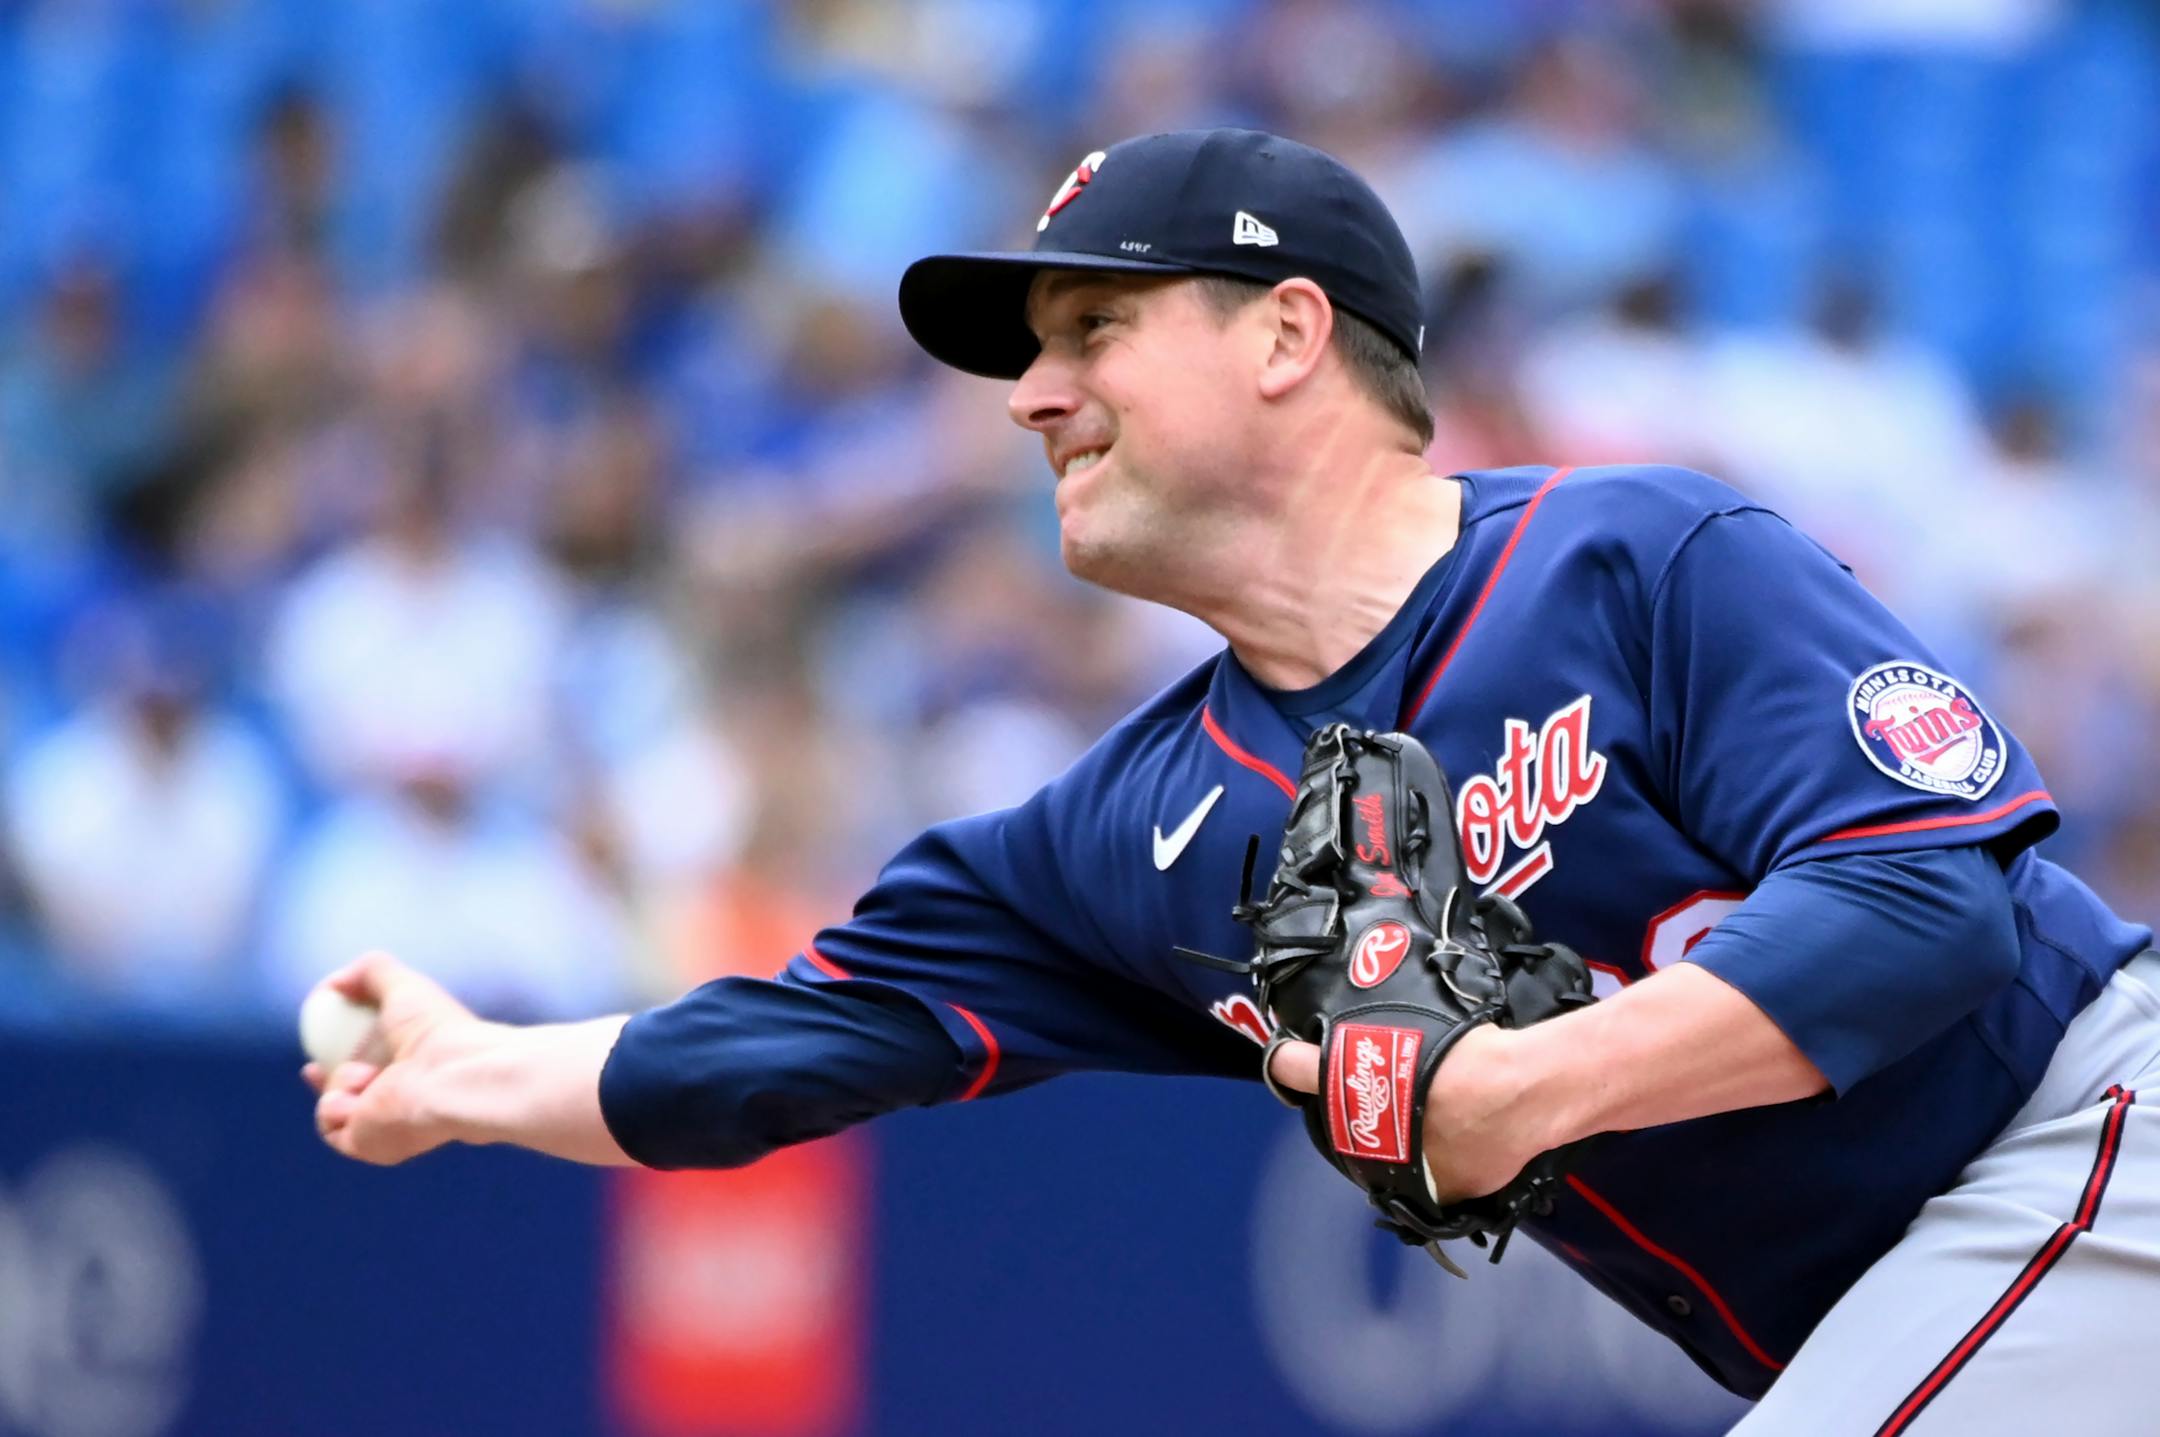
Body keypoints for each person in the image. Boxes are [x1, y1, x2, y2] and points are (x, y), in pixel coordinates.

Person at [304, 130, 2157, 1433]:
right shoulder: (1137, 831)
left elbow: (1933, 897)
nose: (1033, 392)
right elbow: (786, 1041)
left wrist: (1523, 1086)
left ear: (1288, 335)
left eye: (1093, 329)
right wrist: (463, 1071)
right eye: (1032, 354)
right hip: (1922, 1312)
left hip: (2091, 1147)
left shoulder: (1635, 556)